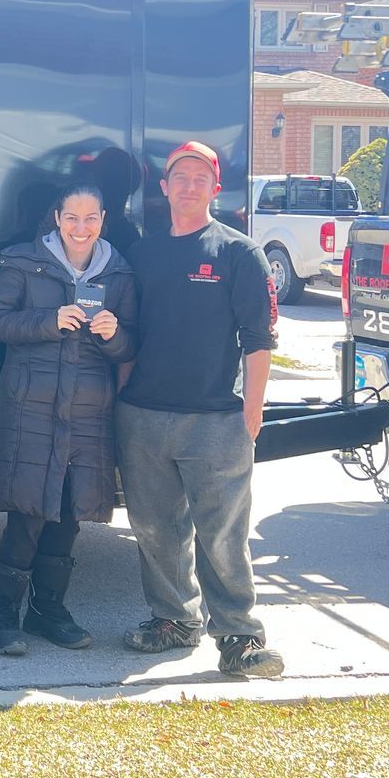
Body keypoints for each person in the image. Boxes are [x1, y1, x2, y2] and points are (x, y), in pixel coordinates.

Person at [116, 140, 283, 678]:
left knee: (222, 534)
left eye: (199, 177)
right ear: (162, 188)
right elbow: (130, 333)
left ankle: (240, 636)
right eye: (178, 177)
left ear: (216, 188)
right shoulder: (141, 253)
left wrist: (252, 415)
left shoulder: (238, 253)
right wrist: (123, 399)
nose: (189, 186)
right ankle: (174, 620)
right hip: (142, 415)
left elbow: (259, 340)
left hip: (216, 419)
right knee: (153, 527)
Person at [0, 184, 138, 656]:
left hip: (88, 414)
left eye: (90, 218)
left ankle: (48, 612)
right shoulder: (24, 262)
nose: (81, 228)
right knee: (28, 515)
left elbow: (132, 345)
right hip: (33, 408)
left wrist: (114, 334)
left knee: (70, 516)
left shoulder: (120, 272)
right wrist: (48, 320)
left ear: (103, 219)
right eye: (72, 217)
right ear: (57, 218)